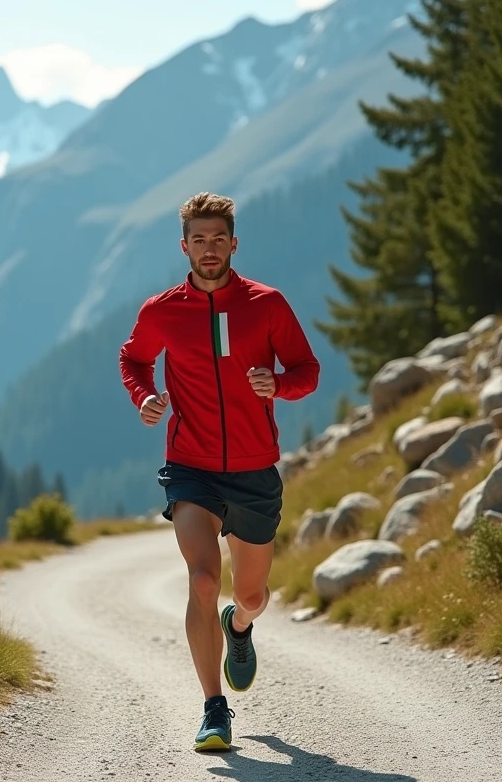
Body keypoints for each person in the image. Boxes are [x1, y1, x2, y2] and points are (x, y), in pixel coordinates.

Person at [118, 192, 320, 752]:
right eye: (198, 240)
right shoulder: (161, 311)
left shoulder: (267, 304)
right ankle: (213, 709)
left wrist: (279, 384)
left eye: (218, 239)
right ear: (184, 246)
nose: (209, 250)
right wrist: (144, 396)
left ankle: (240, 626)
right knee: (203, 578)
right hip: (190, 467)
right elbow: (133, 359)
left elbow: (308, 369)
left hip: (255, 470)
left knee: (252, 595)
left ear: (234, 243)